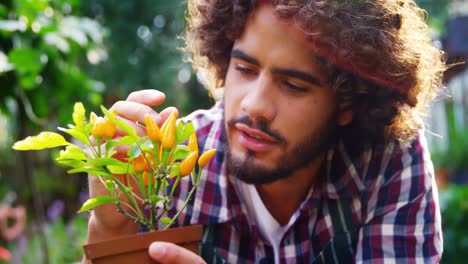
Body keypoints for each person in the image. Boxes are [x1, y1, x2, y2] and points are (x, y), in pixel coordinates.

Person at [86, 0, 446, 263]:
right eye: (244, 68)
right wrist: (110, 228)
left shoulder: (387, 163)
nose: (254, 105)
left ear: (348, 104)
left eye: (293, 85)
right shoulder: (170, 160)